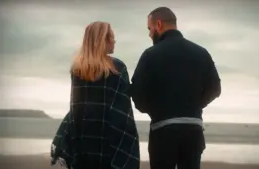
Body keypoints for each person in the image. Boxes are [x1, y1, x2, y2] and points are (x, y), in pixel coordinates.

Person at [131, 7, 221, 169]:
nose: (149, 34)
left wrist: (155, 110)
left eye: (149, 28)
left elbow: (137, 95)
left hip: (163, 131)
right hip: (193, 130)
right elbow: (215, 88)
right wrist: (194, 105)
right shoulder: (201, 53)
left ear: (158, 24)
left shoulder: (150, 55)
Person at [50, 21, 140, 169]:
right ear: (102, 40)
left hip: (83, 140)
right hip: (109, 141)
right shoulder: (117, 68)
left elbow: (77, 109)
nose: (114, 40)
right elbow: (123, 112)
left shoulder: (77, 69)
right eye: (111, 37)